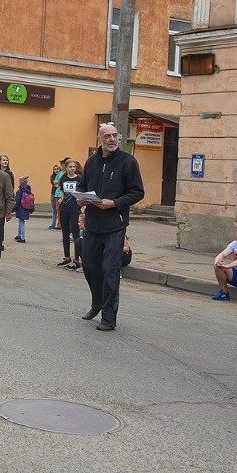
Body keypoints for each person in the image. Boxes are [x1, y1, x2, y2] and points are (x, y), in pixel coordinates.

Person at [76, 123, 144, 332]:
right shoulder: (92, 162)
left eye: (115, 135)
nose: (112, 139)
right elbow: (82, 186)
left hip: (115, 225)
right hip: (93, 224)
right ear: (99, 139)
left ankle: (108, 317)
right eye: (107, 136)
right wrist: (81, 199)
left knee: (110, 270)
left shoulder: (128, 162)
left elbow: (137, 192)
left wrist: (114, 203)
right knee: (89, 267)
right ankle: (97, 303)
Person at [58, 158, 83, 268]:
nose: (72, 169)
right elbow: (62, 191)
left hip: (75, 209)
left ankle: (77, 259)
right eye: (70, 167)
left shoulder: (79, 179)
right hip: (65, 208)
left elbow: (82, 192)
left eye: (74, 167)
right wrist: (61, 199)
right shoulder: (63, 178)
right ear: (66, 168)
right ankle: (67, 257)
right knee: (65, 233)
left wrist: (82, 207)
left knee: (76, 234)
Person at [13, 175, 34, 243]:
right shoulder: (28, 191)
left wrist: (13, 208)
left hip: (20, 208)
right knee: (21, 221)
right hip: (26, 208)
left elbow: (17, 201)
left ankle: (22, 237)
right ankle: (19, 235)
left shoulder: (20, 191)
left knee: (21, 222)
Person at [49, 160, 66, 230]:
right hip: (56, 193)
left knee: (60, 210)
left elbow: (59, 183)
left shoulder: (65, 173)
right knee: (57, 210)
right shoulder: (60, 173)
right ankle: (56, 224)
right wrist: (58, 182)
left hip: (61, 194)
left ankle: (60, 225)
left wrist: (58, 182)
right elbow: (55, 183)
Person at [48, 163, 62, 229]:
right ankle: (53, 224)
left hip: (59, 194)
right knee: (54, 210)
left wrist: (57, 183)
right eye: (55, 169)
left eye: (57, 169)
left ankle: (59, 224)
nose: (56, 170)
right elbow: (54, 183)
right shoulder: (52, 176)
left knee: (59, 210)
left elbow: (58, 184)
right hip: (53, 193)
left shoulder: (62, 175)